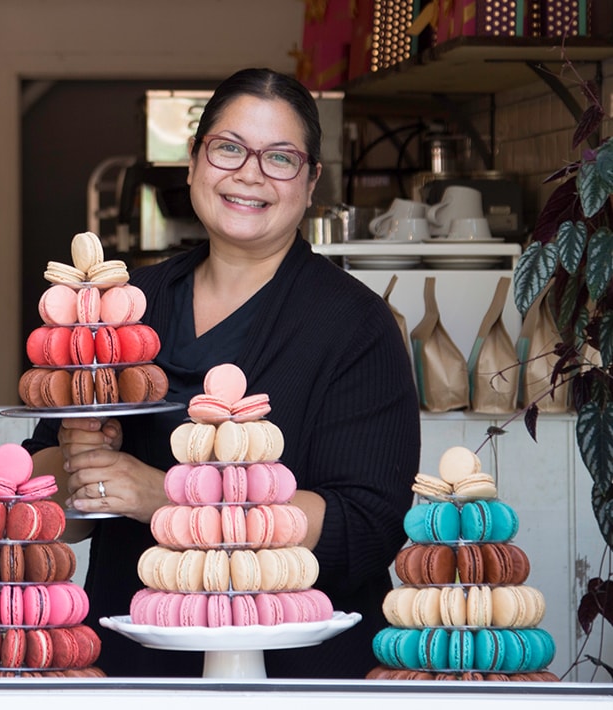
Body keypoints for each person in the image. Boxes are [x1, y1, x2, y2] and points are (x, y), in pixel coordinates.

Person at [22, 67, 420, 679]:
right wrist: (81, 464)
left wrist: (162, 500)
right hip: (134, 662)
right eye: (229, 148)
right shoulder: (121, 307)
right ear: (194, 162)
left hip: (299, 674)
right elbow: (52, 515)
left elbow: (365, 527)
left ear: (311, 180)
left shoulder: (355, 325)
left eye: (280, 158)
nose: (250, 173)